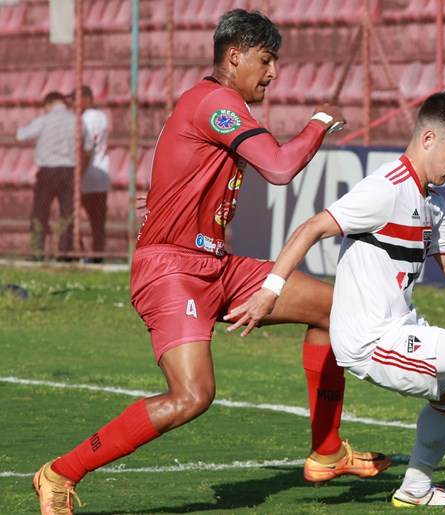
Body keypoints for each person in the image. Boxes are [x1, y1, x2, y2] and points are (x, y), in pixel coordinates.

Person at [33, 9, 389, 514]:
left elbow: (184, 169)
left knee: (332, 309)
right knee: (192, 397)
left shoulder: (207, 103)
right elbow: (282, 168)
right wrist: (320, 120)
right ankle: (59, 473)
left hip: (214, 266)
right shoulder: (217, 101)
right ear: (235, 56)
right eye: (266, 61)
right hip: (173, 272)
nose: (272, 74)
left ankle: (327, 452)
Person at [226, 91, 445, 507]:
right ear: (428, 139)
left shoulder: (430, 200)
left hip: (399, 329)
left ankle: (415, 489)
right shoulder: (386, 188)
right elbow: (311, 227)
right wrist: (270, 290)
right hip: (369, 340)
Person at [16, 91, 92, 260]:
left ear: (48, 104)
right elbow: (88, 148)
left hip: (47, 172)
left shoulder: (45, 119)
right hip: (69, 172)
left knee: (40, 212)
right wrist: (82, 169)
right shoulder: (77, 121)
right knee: (67, 213)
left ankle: (37, 251)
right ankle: (64, 253)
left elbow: (21, 136)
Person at [73, 85, 111, 263]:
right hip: (102, 171)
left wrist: (78, 174)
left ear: (86, 98)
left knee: (73, 215)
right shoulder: (103, 117)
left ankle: (78, 252)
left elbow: (86, 149)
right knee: (98, 220)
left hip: (87, 174)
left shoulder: (84, 120)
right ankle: (98, 253)